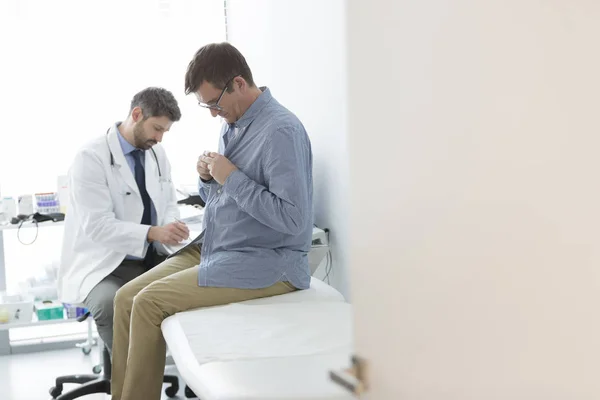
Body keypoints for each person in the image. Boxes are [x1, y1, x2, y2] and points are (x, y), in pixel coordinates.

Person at [110, 42, 314, 400]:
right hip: (217, 244)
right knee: (126, 297)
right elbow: (223, 198)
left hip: (266, 260)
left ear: (238, 83)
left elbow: (294, 221)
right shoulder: (232, 125)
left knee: (148, 302)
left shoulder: (281, 131)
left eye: (214, 103)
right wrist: (208, 180)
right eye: (206, 105)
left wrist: (231, 176)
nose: (213, 114)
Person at [58, 87, 189, 355]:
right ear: (136, 114)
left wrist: (172, 226)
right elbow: (97, 226)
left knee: (194, 286)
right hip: (102, 265)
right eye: (156, 128)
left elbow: (169, 203)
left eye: (164, 131)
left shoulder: (156, 153)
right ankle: (131, 386)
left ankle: (193, 372)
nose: (160, 138)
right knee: (111, 304)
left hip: (149, 258)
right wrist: (153, 232)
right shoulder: (91, 157)